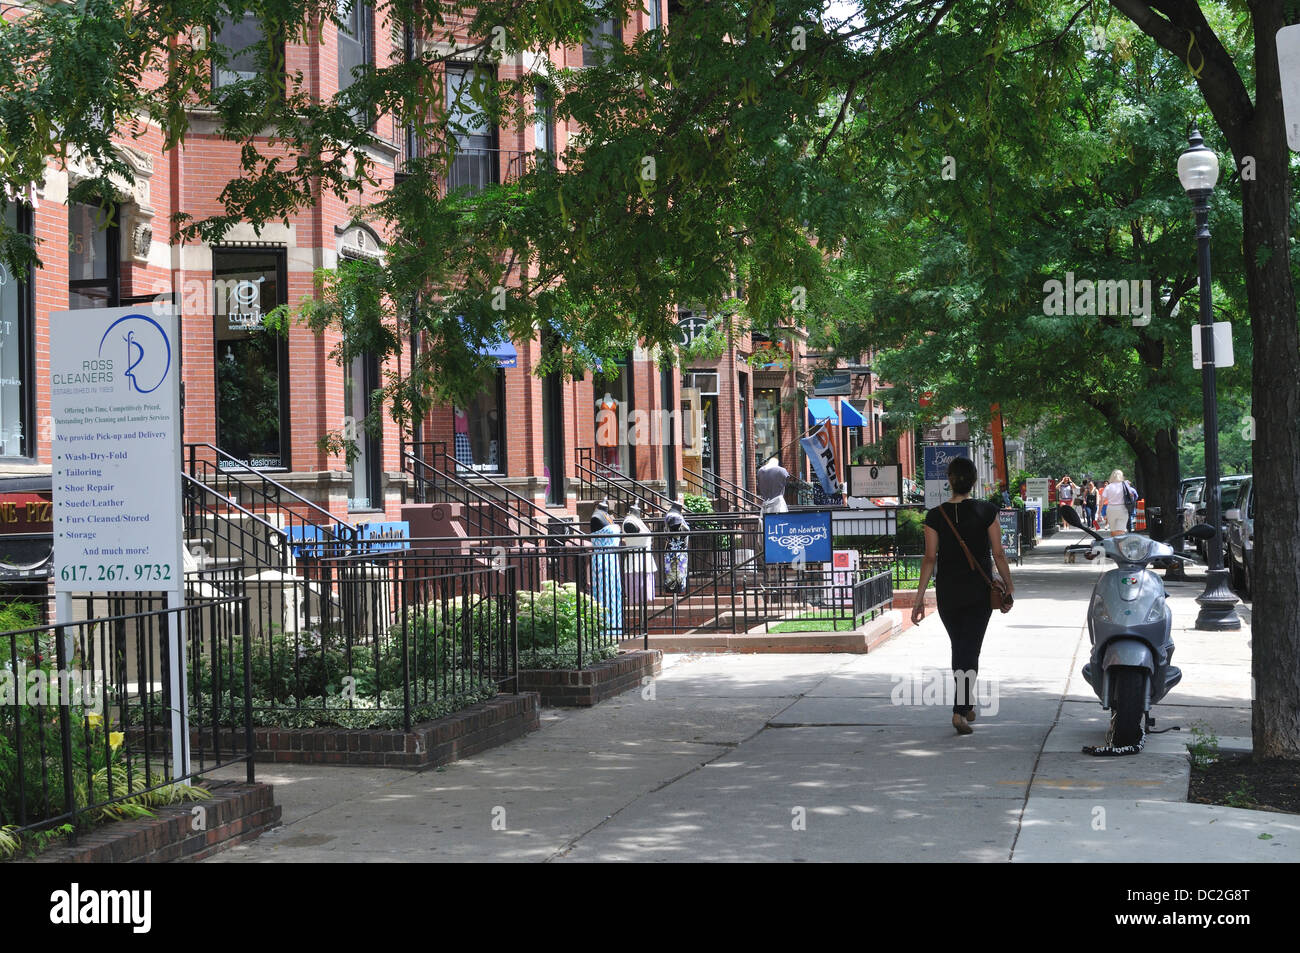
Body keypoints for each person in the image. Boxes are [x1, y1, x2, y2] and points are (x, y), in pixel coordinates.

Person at [911, 456, 1015, 735]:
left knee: (961, 646)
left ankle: (965, 704)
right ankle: (960, 711)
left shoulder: (935, 515)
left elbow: (930, 557)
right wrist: (1009, 585)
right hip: (978, 593)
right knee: (969, 649)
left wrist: (920, 598)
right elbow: (999, 553)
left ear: (949, 481)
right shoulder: (987, 511)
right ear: (973, 481)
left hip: (948, 592)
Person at [1102, 469, 1130, 537]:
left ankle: (1114, 546)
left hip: (1111, 509)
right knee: (1121, 530)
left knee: (1113, 531)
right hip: (1122, 508)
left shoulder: (1108, 487)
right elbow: (1132, 494)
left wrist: (1099, 513)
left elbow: (1102, 500)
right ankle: (1120, 546)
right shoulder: (1125, 486)